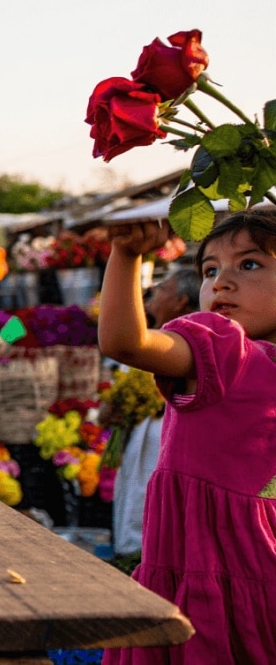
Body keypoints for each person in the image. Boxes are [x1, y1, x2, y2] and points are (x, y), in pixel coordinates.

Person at [98, 214, 276, 664]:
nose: (222, 283)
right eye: (210, 270)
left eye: (249, 265)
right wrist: (126, 256)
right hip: (203, 585)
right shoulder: (221, 348)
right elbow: (125, 341)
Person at [111, 267, 198, 565]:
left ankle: (141, 557)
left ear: (181, 301)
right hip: (139, 432)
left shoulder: (182, 342)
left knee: (149, 498)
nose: (153, 294)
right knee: (133, 492)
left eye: (163, 289)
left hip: (160, 435)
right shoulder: (151, 335)